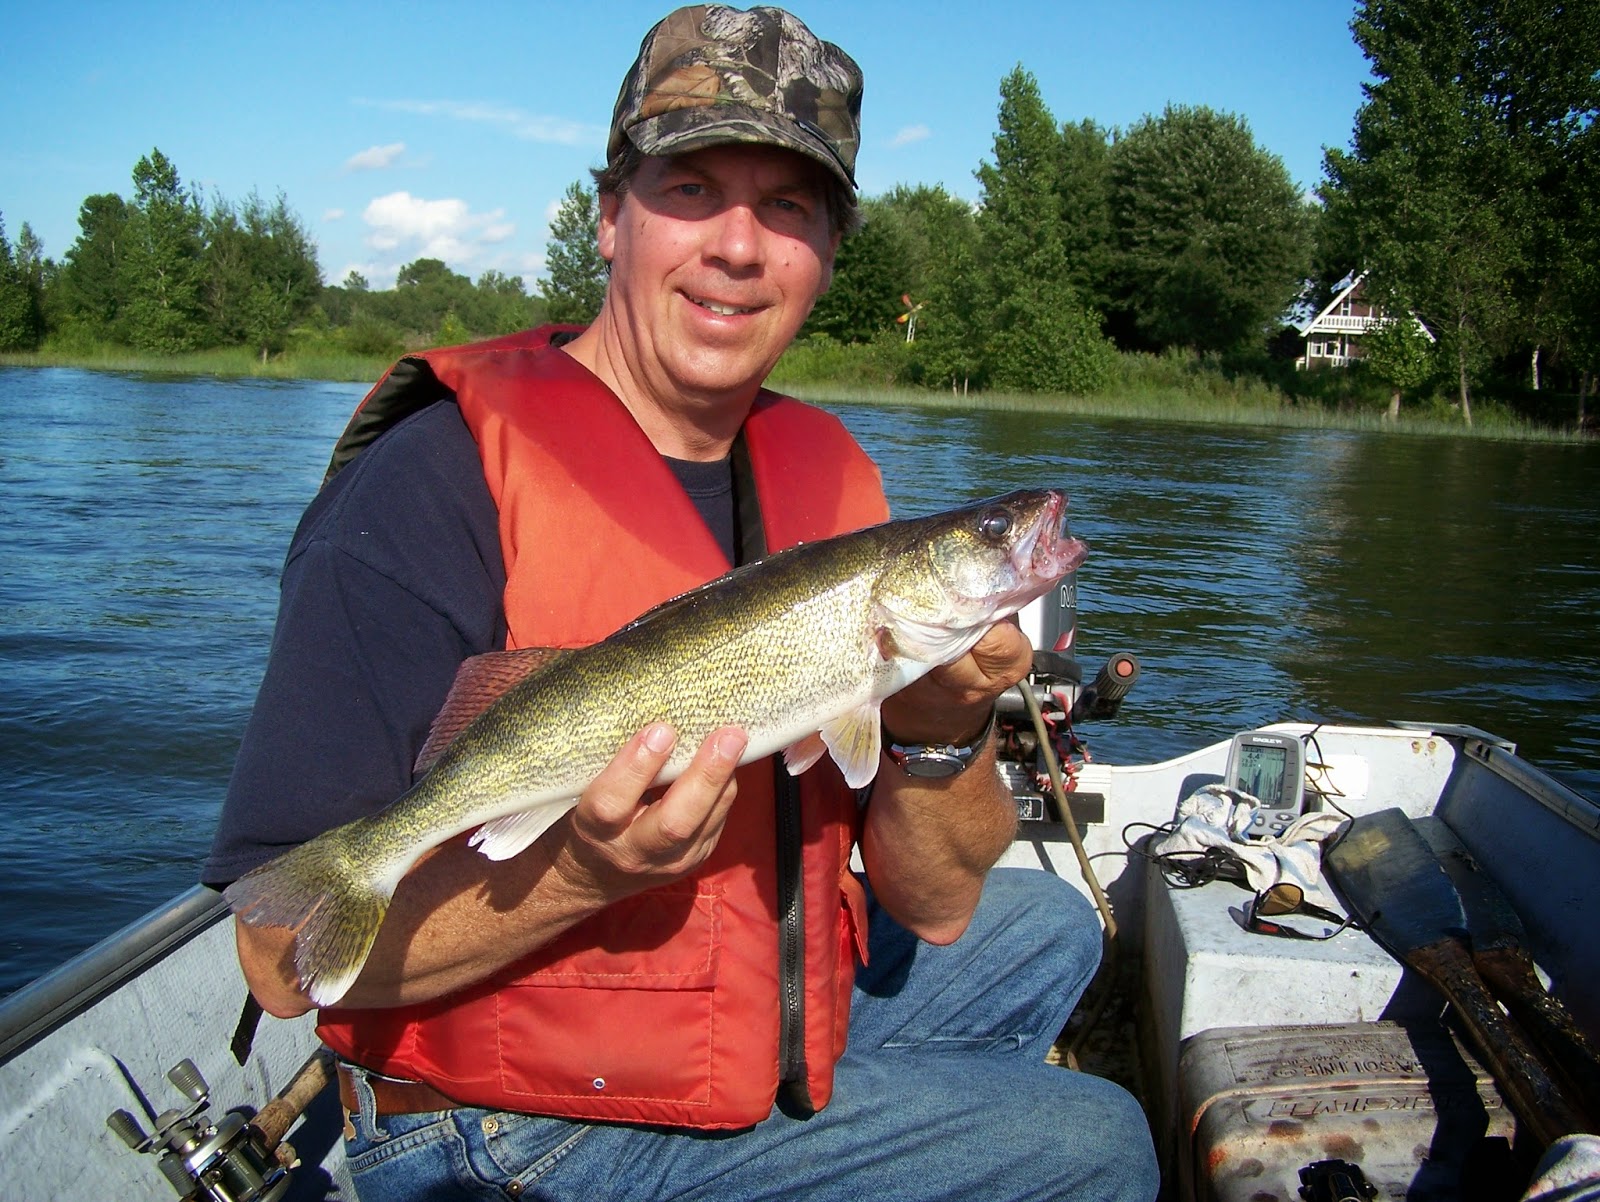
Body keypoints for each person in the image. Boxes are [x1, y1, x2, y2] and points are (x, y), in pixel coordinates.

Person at [204, 6, 1158, 1199]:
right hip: (502, 1121)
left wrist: (942, 722)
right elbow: (279, 955)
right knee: (1099, 1143)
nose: (740, 247)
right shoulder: (430, 485)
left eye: (790, 207)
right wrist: (587, 870)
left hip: (747, 993)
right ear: (610, 216)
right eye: (693, 189)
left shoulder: (833, 484)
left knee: (1054, 931)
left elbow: (937, 898)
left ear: (826, 253)